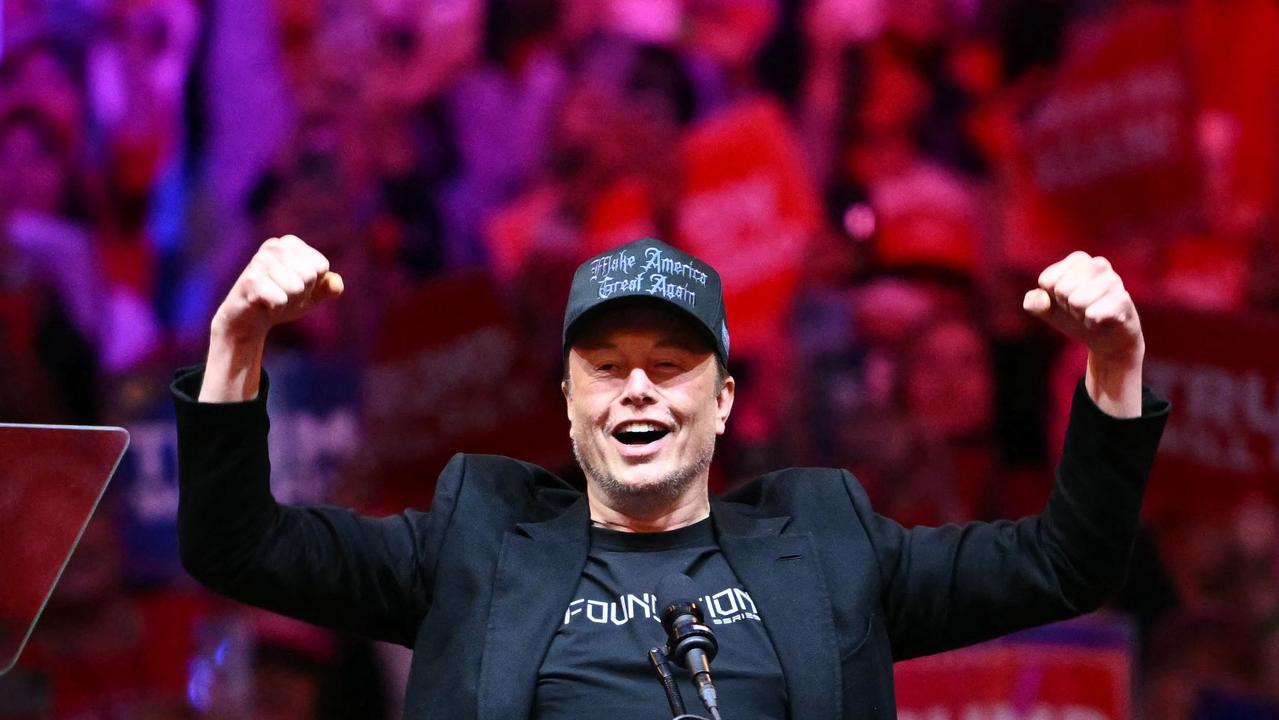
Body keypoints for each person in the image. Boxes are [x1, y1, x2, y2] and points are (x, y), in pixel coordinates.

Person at [172, 235, 1168, 719]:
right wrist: (237, 340)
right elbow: (239, 546)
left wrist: (1114, 366)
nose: (637, 388)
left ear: (725, 401)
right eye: (605, 367)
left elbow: (1066, 564)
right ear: (567, 405)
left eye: (672, 364)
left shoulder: (826, 539)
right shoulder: (475, 534)